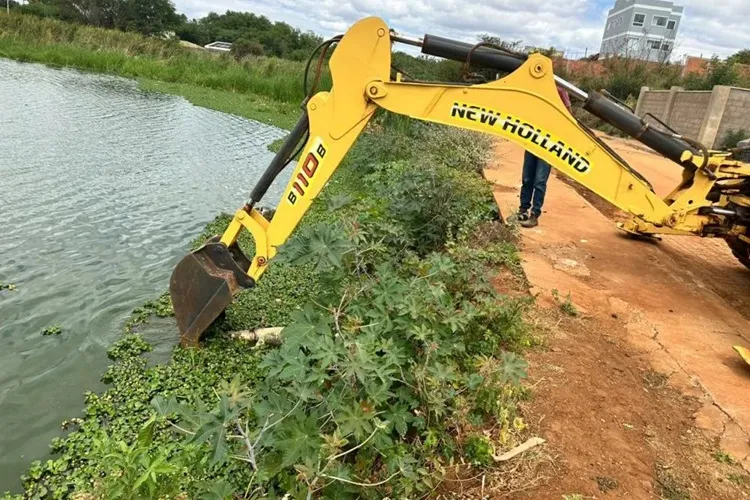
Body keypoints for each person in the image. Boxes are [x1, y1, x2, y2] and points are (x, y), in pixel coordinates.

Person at [517, 87, 573, 228]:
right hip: (533, 139)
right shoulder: (535, 89)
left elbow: (568, 115)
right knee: (527, 177)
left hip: (549, 143)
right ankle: (522, 210)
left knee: (540, 181)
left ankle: (534, 215)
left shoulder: (559, 90)